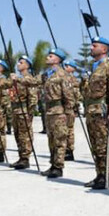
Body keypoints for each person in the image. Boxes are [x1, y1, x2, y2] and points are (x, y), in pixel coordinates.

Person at [83, 36, 109, 190]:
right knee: (95, 145)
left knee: (103, 145)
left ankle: (106, 176)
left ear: (104, 49)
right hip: (92, 111)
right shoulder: (94, 67)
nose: (91, 48)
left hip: (102, 112)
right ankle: (99, 174)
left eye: (95, 45)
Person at [37, 49, 75, 178]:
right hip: (49, 111)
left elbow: (69, 96)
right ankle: (53, 164)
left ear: (58, 59)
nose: (47, 57)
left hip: (59, 111)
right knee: (51, 140)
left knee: (60, 140)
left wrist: (68, 113)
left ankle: (58, 167)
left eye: (51, 56)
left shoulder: (62, 74)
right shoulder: (47, 75)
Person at [7, 56, 38, 170]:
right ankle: (21, 157)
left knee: (25, 136)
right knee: (18, 135)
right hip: (16, 111)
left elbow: (33, 98)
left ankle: (25, 158)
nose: (18, 64)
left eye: (21, 62)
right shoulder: (18, 79)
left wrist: (29, 113)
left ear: (27, 65)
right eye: (18, 62)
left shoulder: (29, 79)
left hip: (24, 111)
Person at [63, 60, 83, 161]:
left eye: (68, 66)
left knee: (69, 130)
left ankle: (69, 151)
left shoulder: (73, 80)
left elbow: (76, 95)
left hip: (69, 108)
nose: (65, 67)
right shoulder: (63, 78)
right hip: (63, 108)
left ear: (73, 69)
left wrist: (75, 108)